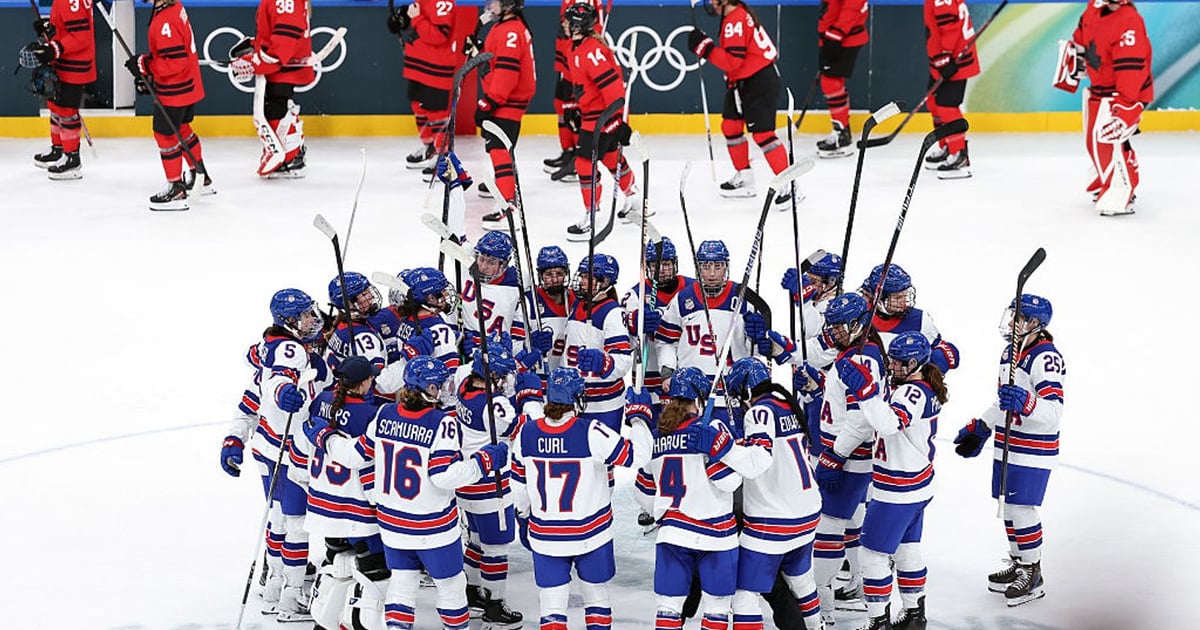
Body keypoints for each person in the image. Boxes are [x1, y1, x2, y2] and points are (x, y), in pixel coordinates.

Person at [307, 355, 508, 630]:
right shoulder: (442, 423)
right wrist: (484, 461)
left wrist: (325, 437)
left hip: (392, 527)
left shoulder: (384, 413)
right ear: (427, 388)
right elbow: (444, 476)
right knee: (452, 588)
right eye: (437, 385)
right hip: (433, 529)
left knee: (401, 591)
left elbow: (355, 455)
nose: (442, 389)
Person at [510, 367, 654, 630]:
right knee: (596, 598)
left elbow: (518, 488)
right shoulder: (591, 432)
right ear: (577, 399)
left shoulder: (526, 433)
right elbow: (639, 457)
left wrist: (523, 516)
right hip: (591, 535)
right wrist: (639, 418)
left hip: (546, 536)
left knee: (551, 607)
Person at [223, 288, 329, 620]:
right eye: (306, 315)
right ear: (289, 322)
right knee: (293, 521)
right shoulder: (286, 355)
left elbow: (251, 399)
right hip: (289, 450)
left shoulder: (276, 352)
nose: (313, 320)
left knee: (281, 518)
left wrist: (234, 440)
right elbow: (271, 388)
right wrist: (284, 393)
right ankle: (291, 597)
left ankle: (274, 587)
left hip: (271, 448)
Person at [953, 294, 1063, 607]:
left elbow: (1053, 411)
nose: (1014, 323)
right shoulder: (1010, 352)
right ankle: (1019, 562)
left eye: (1020, 318)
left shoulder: (1046, 357)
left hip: (1033, 448)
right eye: (1013, 316)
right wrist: (984, 427)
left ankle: (1032, 571)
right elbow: (1004, 401)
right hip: (1008, 443)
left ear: (1036, 324)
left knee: (1022, 508)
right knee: (1006, 506)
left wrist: (1027, 403)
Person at [834, 331, 945, 629]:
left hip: (897, 491)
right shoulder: (919, 387)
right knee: (907, 550)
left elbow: (889, 423)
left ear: (915, 363)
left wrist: (867, 391)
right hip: (917, 486)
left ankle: (878, 622)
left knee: (871, 556)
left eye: (898, 363)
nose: (892, 367)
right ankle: (913, 615)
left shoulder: (913, 392)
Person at [712, 357, 825, 630]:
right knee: (801, 581)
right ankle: (817, 626)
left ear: (747, 390)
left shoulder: (758, 412)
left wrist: (724, 447)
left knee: (743, 595)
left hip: (775, 520)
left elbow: (757, 461)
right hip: (807, 512)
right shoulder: (787, 403)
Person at [635, 366, 742, 630]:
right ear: (700, 400)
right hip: (716, 536)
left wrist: (665, 511)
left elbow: (643, 492)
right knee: (717, 608)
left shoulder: (656, 436)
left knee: (669, 608)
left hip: (673, 534)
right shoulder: (712, 427)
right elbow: (730, 481)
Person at [293, 356, 388, 628]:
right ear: (362, 383)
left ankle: (324, 625)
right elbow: (367, 460)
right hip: (355, 510)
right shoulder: (368, 416)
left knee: (340, 568)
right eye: (370, 377)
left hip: (324, 506)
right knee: (378, 578)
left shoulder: (322, 400)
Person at [807, 293, 883, 625]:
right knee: (851, 524)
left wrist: (836, 456)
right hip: (851, 458)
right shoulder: (855, 353)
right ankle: (861, 588)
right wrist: (816, 386)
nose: (833, 332)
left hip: (850, 459)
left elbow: (862, 419)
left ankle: (821, 612)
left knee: (827, 528)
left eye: (839, 327)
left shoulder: (862, 359)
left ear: (857, 325)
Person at [687, 0, 797, 208]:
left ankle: (789, 184)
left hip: (758, 80)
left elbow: (732, 62)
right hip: (743, 80)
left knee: (763, 134)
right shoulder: (734, 15)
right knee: (731, 125)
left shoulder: (735, 20)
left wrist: (706, 49)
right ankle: (745, 179)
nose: (709, 2)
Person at [453, 331, 530, 627]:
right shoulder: (495, 403)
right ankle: (495, 605)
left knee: (474, 540)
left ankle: (472, 592)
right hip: (490, 485)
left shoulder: (464, 386)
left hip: (466, 480)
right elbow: (517, 428)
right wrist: (530, 398)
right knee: (496, 547)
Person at [1054, 0, 1153, 215]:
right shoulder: (1093, 10)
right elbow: (1080, 39)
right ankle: (1104, 175)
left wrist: (1127, 105)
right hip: (1099, 89)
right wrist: (1073, 60)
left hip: (1122, 94)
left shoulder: (1129, 20)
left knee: (1113, 141)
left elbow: (1132, 67)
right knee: (1093, 141)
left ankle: (1123, 187)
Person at [655, 240, 766, 423]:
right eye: (706, 266)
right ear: (699, 268)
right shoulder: (683, 299)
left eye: (718, 266)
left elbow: (756, 352)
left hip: (732, 393)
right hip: (690, 396)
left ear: (726, 267)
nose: (712, 273)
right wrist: (667, 371)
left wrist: (757, 337)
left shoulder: (743, 298)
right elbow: (666, 340)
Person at [124, 0, 213, 211]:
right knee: (182, 129)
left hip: (176, 90)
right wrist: (146, 66)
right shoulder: (173, 7)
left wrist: (144, 65)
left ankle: (176, 188)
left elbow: (175, 62)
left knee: (165, 135)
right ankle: (200, 174)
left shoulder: (165, 18)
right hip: (187, 85)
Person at [562, 0, 639, 241]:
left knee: (584, 164)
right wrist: (575, 107)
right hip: (593, 117)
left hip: (600, 120)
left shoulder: (590, 50)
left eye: (567, 20)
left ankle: (591, 213)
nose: (563, 24)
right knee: (609, 158)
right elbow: (586, 87)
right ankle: (634, 196)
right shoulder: (578, 48)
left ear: (576, 25)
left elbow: (613, 89)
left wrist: (615, 121)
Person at [469, 0, 537, 218]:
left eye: (495, 2)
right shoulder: (505, 27)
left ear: (508, 5)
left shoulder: (511, 31)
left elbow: (507, 72)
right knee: (497, 149)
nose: (490, 5)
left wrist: (490, 101)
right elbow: (495, 60)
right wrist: (478, 50)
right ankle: (504, 187)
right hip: (504, 99)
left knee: (499, 149)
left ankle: (507, 205)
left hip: (507, 101)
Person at [231, 0, 314, 177]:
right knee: (274, 104)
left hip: (284, 66)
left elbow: (283, 44)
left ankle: (291, 157)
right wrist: (256, 44)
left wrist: (255, 62)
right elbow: (277, 30)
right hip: (282, 65)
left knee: (275, 107)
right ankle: (290, 154)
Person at [24, 0, 95, 179]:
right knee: (56, 105)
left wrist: (55, 48)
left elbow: (81, 37)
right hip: (64, 61)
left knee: (66, 110)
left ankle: (72, 159)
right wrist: (49, 27)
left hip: (74, 64)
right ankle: (59, 149)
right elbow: (67, 26)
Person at [388, 0, 459, 175]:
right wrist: (402, 19)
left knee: (437, 114)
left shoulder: (444, 3)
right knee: (418, 107)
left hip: (436, 68)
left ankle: (444, 159)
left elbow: (439, 35)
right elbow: (418, 15)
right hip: (418, 66)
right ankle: (430, 147)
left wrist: (417, 18)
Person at [564, 253, 634, 431]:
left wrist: (603, 362)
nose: (582, 282)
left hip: (604, 404)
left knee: (602, 458)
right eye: (582, 277)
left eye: (589, 278)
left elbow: (624, 360)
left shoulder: (612, 313)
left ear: (604, 282)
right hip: (574, 399)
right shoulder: (577, 305)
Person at [622, 237, 695, 406]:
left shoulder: (692, 289)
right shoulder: (635, 295)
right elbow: (624, 343)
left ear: (675, 263)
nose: (661, 270)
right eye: (655, 265)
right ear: (647, 266)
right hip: (648, 374)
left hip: (685, 372)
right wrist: (636, 326)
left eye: (667, 264)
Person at [543, 0, 604, 183]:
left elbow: (593, 27)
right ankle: (568, 152)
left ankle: (580, 159)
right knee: (561, 105)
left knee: (576, 111)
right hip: (565, 57)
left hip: (577, 60)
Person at [860, 264, 960, 374]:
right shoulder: (859, 317)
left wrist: (938, 361)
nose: (904, 302)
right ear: (878, 298)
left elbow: (945, 350)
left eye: (905, 295)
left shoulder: (919, 320)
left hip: (902, 388)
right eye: (898, 297)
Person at [922, 0, 980, 178]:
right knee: (934, 102)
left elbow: (950, 27)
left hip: (954, 62)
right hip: (942, 60)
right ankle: (946, 145)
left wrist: (945, 55)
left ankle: (959, 154)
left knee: (947, 106)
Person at [815, 0, 868, 158]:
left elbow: (854, 4)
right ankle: (842, 132)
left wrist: (837, 32)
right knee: (831, 82)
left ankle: (842, 137)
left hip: (844, 36)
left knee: (831, 82)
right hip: (833, 34)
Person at [462, 231, 527, 349]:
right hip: (462, 349)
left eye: (491, 262)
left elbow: (518, 339)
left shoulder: (517, 286)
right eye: (481, 259)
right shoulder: (464, 265)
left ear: (504, 264)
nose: (483, 267)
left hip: (495, 355)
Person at [526, 246, 575, 376]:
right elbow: (514, 342)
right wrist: (529, 344)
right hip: (538, 376)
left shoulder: (576, 300)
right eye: (548, 275)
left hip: (567, 377)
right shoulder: (529, 301)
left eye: (559, 274)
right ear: (540, 276)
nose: (554, 280)